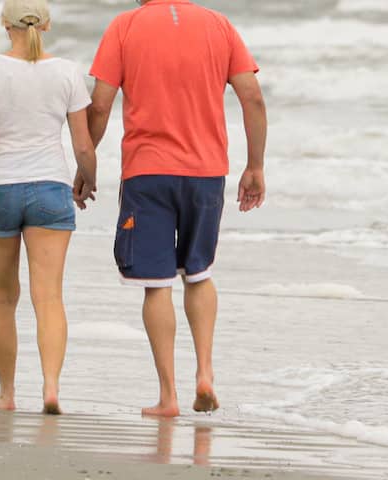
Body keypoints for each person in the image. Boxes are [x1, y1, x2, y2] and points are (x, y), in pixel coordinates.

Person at [85, 0, 268, 418]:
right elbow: (252, 98)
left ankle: (168, 396)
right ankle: (205, 372)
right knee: (199, 273)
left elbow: (99, 104)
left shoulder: (125, 25)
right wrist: (255, 165)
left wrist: (86, 160)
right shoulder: (219, 25)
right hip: (206, 172)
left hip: (147, 173)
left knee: (157, 283)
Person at [0, 0, 98, 416]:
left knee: (1, 297)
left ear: (3, 24)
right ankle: (50, 388)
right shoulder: (66, 71)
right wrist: (88, 180)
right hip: (50, 189)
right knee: (49, 298)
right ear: (45, 24)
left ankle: (7, 394)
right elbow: (83, 144)